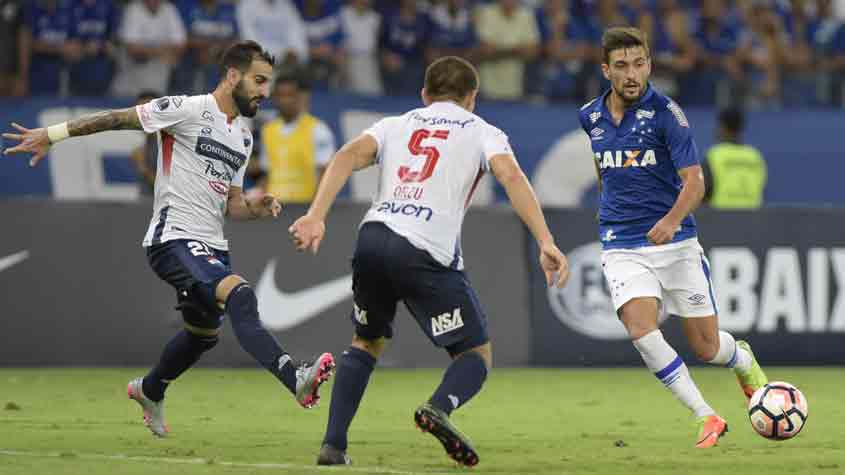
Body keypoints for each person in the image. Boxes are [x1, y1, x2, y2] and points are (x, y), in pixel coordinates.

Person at [2, 40, 335, 438]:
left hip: (213, 245)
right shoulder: (187, 109)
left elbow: (233, 205)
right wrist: (53, 134)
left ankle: (149, 388)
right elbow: (118, 118)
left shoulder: (243, 139)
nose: (266, 92)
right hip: (172, 237)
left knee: (202, 336)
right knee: (241, 295)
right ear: (232, 75)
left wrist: (255, 206)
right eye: (259, 81)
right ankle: (294, 376)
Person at [288, 56, 570, 467]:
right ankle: (438, 408)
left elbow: (347, 155)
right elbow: (511, 177)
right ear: (472, 98)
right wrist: (545, 239)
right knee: (475, 354)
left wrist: (316, 214)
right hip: (422, 250)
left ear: (424, 95)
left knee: (366, 342)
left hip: (372, 237)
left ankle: (333, 446)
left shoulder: (394, 124)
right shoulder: (482, 131)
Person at [580, 27, 768, 448]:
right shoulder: (589, 116)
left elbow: (696, 183)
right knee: (641, 329)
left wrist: (670, 221)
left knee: (706, 348)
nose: (633, 74)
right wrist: (610, 198)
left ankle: (741, 357)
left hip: (676, 243)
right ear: (606, 69)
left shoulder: (667, 114)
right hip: (622, 243)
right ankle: (708, 416)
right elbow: (602, 166)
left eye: (640, 63)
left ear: (649, 64)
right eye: (623, 65)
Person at [259, 70, 336, 203]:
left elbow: (327, 174)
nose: (285, 101)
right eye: (280, 96)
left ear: (299, 97)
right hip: (274, 210)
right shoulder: (268, 130)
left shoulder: (317, 129)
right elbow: (267, 174)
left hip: (303, 206)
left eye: (290, 95)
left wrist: (314, 210)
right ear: (274, 98)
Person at [702, 107, 766, 208]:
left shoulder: (715, 155)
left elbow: (703, 192)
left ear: (722, 127)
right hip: (753, 218)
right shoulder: (755, 156)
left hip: (720, 217)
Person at [130, 90, 161, 195]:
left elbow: (168, 189)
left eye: (148, 110)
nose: (143, 116)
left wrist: (143, 168)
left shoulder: (167, 144)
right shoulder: (147, 143)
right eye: (140, 110)